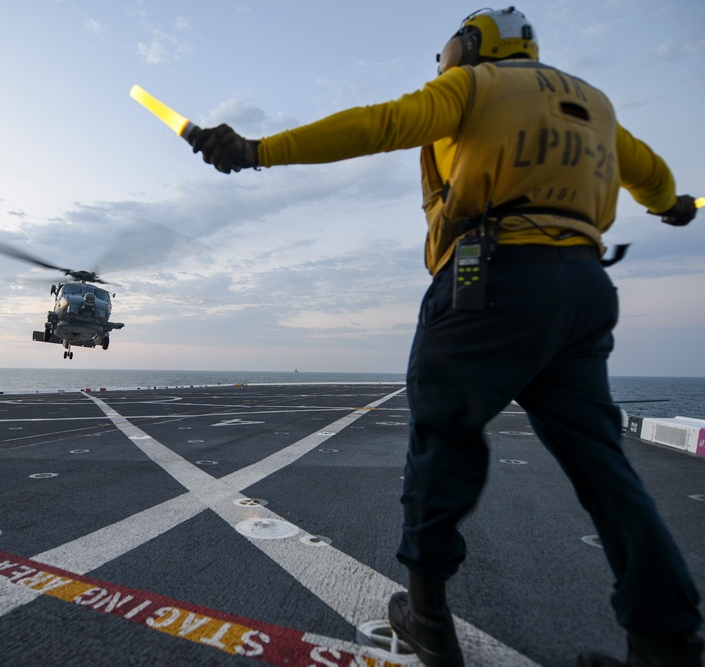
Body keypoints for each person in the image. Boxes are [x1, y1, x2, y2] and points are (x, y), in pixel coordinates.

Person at [190, 7, 702, 667]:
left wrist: (257, 151)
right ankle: (666, 639)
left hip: (491, 279)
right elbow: (654, 176)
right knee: (605, 466)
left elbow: (380, 124)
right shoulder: (594, 102)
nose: (445, 62)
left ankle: (426, 614)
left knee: (443, 439)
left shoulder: (475, 86)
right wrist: (674, 206)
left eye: (451, 50)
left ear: (474, 45)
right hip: (583, 289)